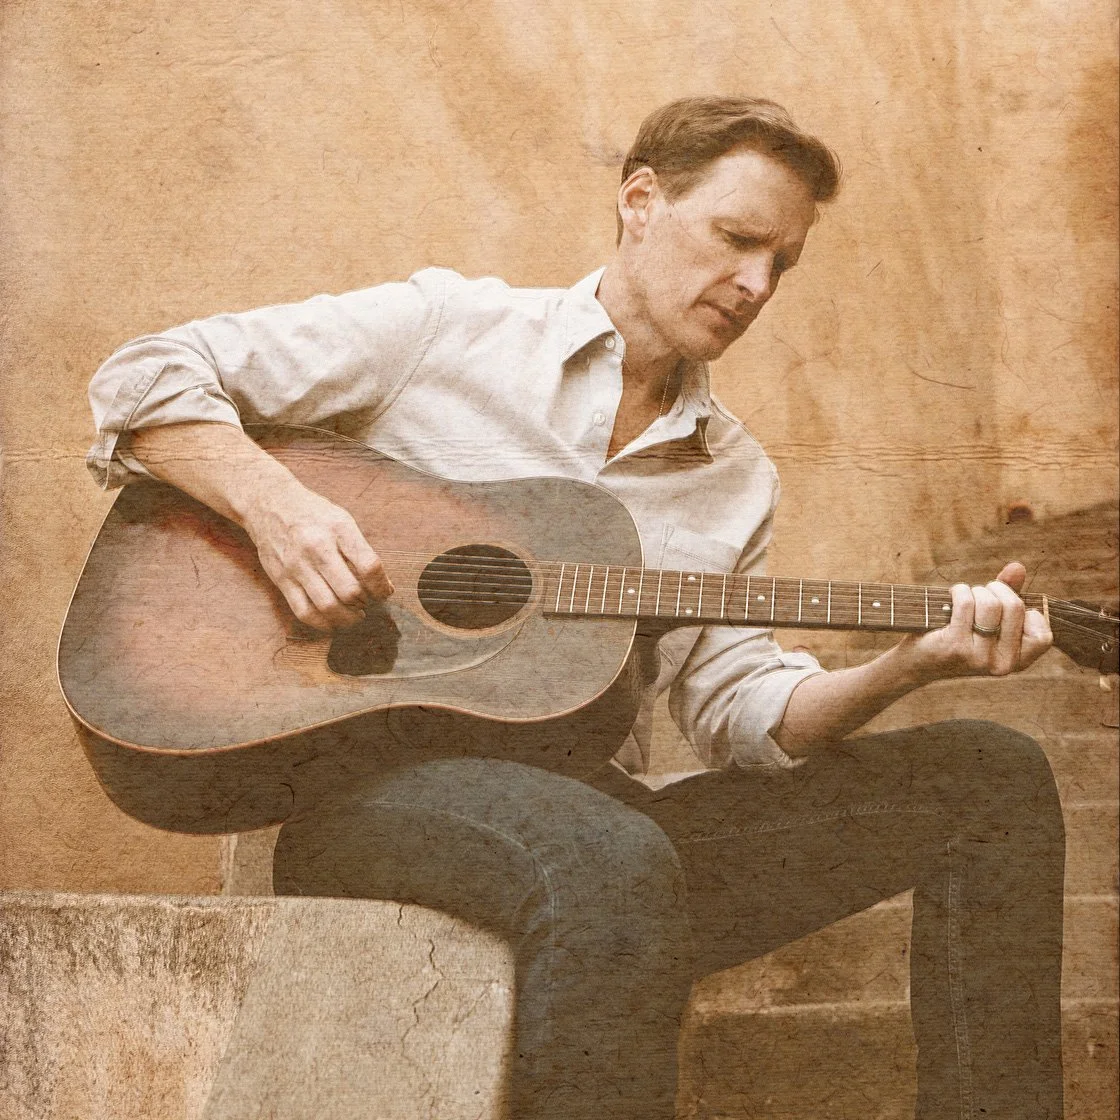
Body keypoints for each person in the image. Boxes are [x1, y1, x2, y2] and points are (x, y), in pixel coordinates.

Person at [86, 96, 1064, 1119]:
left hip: (598, 814)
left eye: (782, 263)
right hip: (374, 792)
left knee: (990, 775)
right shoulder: (444, 330)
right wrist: (282, 510)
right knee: (609, 856)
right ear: (641, 199)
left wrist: (912, 661)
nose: (756, 284)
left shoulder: (732, 475)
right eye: (736, 239)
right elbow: (145, 376)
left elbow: (742, 714)